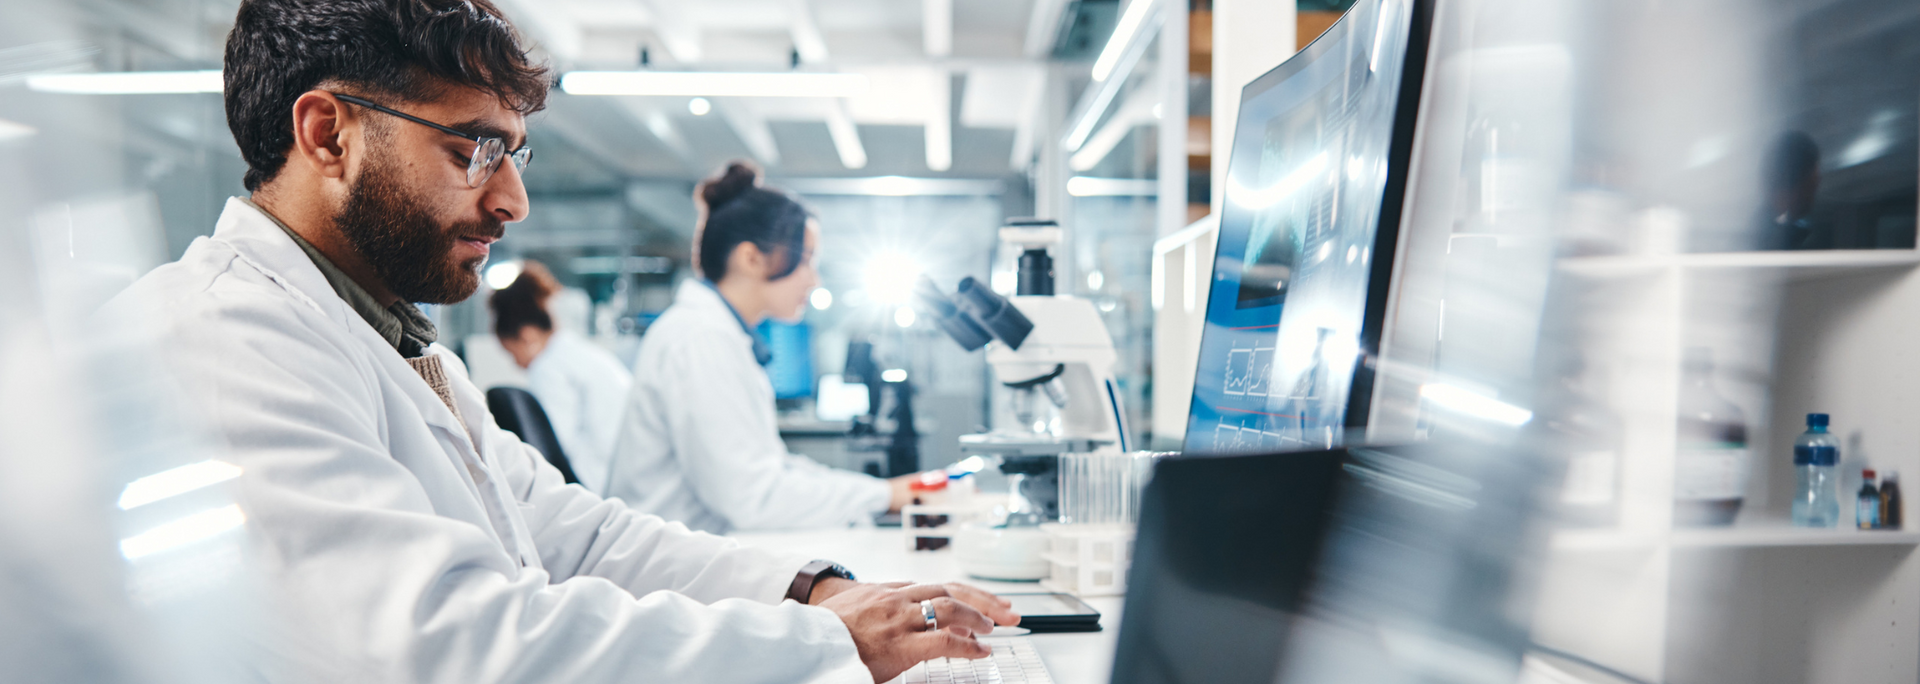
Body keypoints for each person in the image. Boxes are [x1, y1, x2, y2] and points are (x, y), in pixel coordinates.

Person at [102, 1, 1016, 682]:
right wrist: (826, 641)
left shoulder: (384, 337)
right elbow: (456, 648)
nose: (512, 202)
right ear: (327, 133)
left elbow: (576, 535)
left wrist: (815, 591)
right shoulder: (227, 337)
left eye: (515, 155)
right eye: (476, 148)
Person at [602, 162, 919, 533]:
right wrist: (884, 496)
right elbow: (753, 499)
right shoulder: (701, 338)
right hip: (672, 568)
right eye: (804, 260)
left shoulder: (716, 332)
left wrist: (883, 493)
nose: (813, 280)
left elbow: (773, 468)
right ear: (751, 258)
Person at [489, 261, 631, 491]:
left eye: (511, 352)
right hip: (618, 482)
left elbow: (546, 450)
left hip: (594, 485)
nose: (515, 364)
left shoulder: (549, 368)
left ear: (527, 336)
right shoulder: (580, 354)